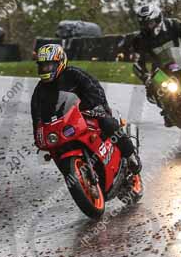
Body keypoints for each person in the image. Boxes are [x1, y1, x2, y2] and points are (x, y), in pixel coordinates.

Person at [31, 44, 143, 179]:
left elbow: (93, 87)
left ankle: (131, 156)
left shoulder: (73, 74)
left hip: (90, 111)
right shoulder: (40, 90)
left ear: (59, 62)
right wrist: (38, 135)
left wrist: (98, 106)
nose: (45, 69)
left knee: (108, 123)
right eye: (42, 66)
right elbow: (36, 114)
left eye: (48, 65)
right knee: (54, 149)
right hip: (65, 122)